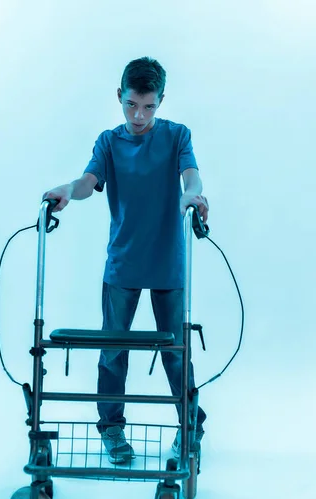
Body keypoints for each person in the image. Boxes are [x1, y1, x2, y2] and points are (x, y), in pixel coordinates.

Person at [43, 56, 209, 464]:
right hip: (123, 262)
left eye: (149, 106)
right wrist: (66, 189)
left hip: (167, 260)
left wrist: (192, 195)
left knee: (174, 349)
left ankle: (190, 424)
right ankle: (112, 428)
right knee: (113, 347)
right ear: (119, 96)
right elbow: (87, 183)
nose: (139, 115)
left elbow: (191, 175)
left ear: (161, 101)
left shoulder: (176, 136)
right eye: (132, 104)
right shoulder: (109, 142)